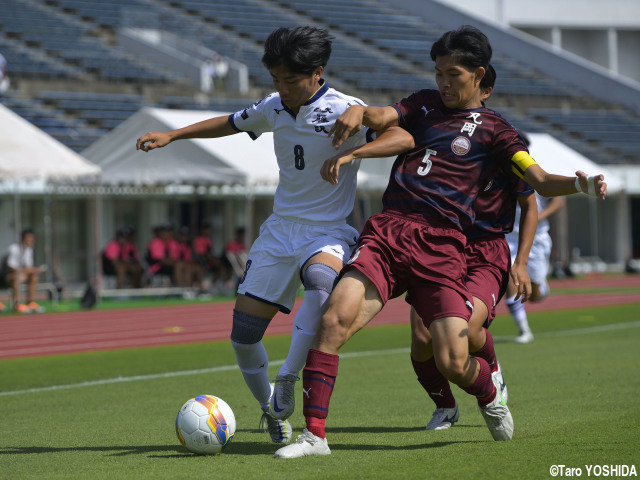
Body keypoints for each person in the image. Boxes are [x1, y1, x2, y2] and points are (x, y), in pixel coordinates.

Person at [274, 25, 607, 458]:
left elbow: (539, 182)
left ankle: (488, 390)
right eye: (438, 73)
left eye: (452, 74)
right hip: (390, 230)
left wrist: (579, 185)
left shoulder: (499, 133)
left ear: (477, 76)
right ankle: (314, 436)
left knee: (451, 357)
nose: (443, 82)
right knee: (334, 318)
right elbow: (385, 116)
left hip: (445, 246)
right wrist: (361, 112)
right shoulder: (424, 103)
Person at [136, 26, 414, 446]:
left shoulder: (346, 109)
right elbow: (229, 123)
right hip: (280, 231)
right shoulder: (274, 107)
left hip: (329, 230)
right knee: (244, 336)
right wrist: (173, 135)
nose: (281, 89)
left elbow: (403, 137)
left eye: (289, 80)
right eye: (276, 80)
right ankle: (271, 408)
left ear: (316, 73)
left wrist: (354, 151)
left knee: (322, 284)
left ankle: (288, 375)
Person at [408, 64, 538, 431]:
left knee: (462, 328)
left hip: (485, 251)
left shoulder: (506, 149)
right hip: (439, 245)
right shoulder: (449, 142)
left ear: (484, 89)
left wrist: (522, 262)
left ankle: (490, 369)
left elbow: (531, 204)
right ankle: (445, 406)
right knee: (422, 339)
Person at [504, 190, 565, 343]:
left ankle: (541, 287)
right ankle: (524, 330)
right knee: (509, 278)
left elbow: (558, 202)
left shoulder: (535, 174)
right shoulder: (502, 173)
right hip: (510, 237)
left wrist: (535, 218)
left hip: (536, 238)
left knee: (533, 295)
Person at [2, 229, 46, 313]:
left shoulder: (29, 250)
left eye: (32, 238)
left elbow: (29, 268)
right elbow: (12, 268)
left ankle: (30, 302)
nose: (31, 240)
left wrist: (34, 270)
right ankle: (17, 304)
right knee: (16, 277)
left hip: (21, 275)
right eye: (29, 238)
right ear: (22, 238)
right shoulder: (14, 249)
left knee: (34, 276)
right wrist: (30, 270)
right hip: (6, 277)